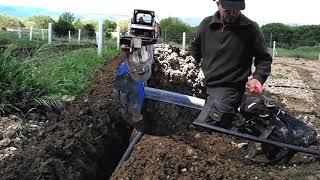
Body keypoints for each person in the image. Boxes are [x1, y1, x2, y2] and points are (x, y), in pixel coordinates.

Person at [189, 0, 272, 128]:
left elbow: (264, 58)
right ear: (218, 4)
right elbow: (195, 49)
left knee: (203, 127)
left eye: (237, 10)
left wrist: (258, 78)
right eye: (228, 9)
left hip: (229, 88)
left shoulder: (250, 28)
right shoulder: (207, 24)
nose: (233, 13)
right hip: (204, 82)